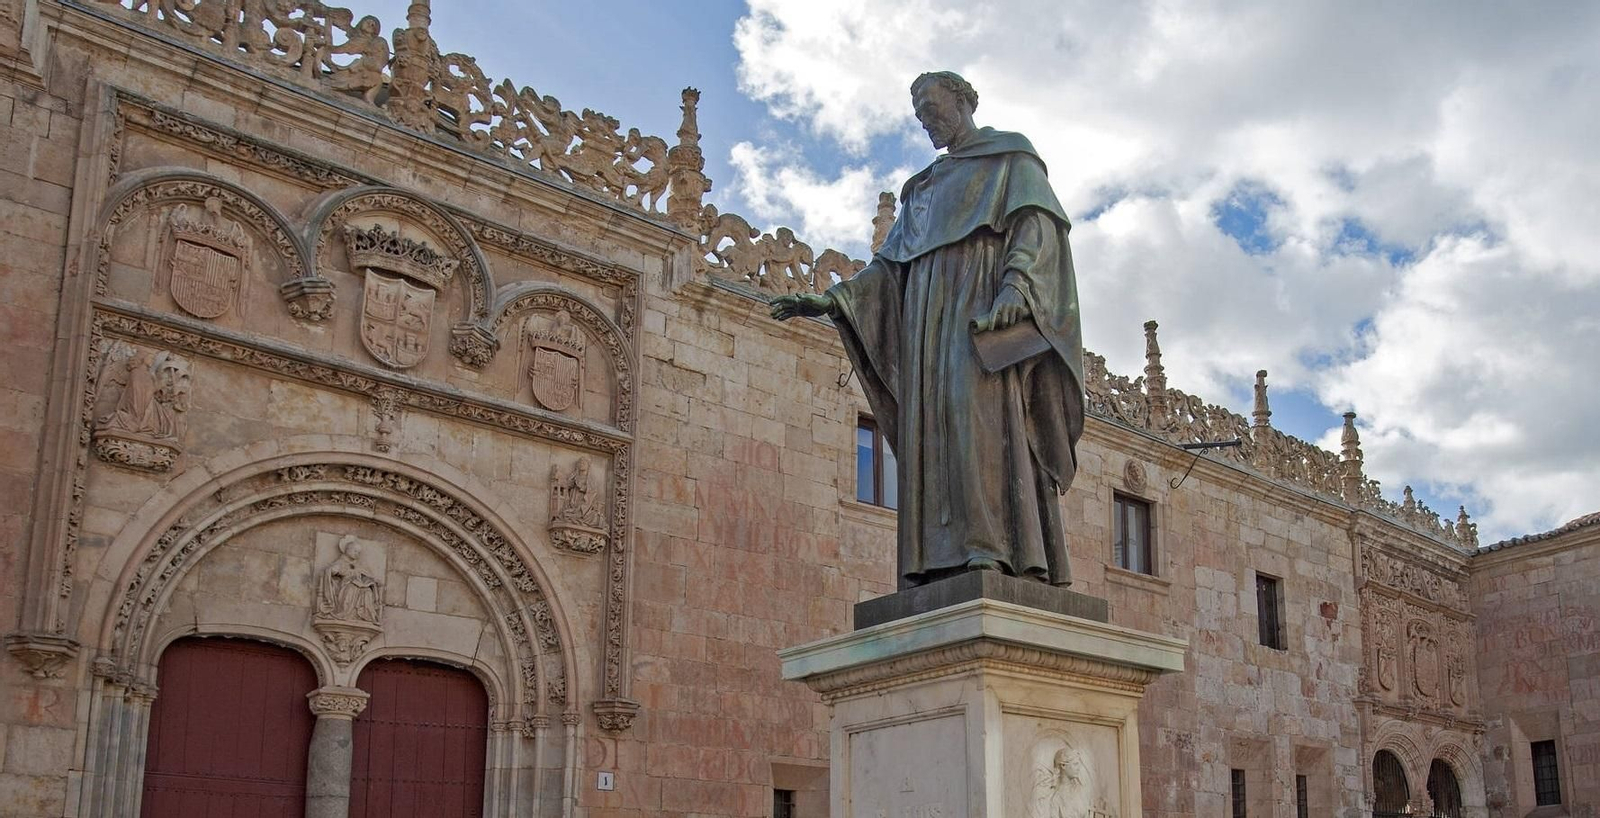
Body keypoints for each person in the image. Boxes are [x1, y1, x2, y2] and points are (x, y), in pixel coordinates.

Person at [771, 71, 1085, 589]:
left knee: (977, 418)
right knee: (930, 430)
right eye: (918, 114)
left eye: (933, 107)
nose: (926, 119)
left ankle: (993, 547)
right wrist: (831, 299)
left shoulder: (1010, 159)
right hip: (925, 324)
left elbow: (1036, 226)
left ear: (962, 101)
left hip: (978, 314)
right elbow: (888, 268)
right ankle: (934, 559)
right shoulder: (922, 189)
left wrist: (1017, 288)